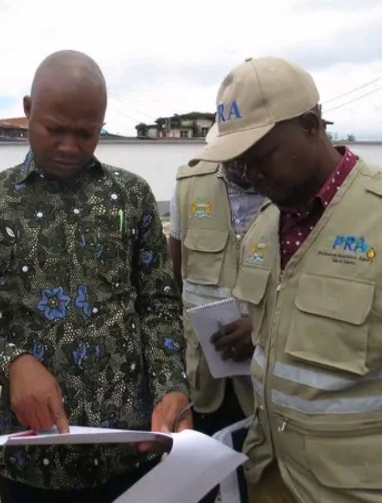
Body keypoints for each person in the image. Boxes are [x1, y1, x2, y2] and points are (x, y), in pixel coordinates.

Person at [0, 50, 190, 502]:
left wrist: (171, 383)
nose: (70, 146)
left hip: (133, 452)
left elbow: (159, 303)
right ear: (29, 110)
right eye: (55, 129)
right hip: (36, 463)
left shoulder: (129, 196)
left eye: (86, 132)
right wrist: (13, 362)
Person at [192, 56, 382, 503]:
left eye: (260, 156)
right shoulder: (263, 227)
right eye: (237, 163)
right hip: (272, 474)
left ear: (311, 124)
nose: (249, 174)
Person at [168, 156, 264, 503]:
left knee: (255, 483)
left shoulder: (289, 188)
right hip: (202, 378)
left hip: (263, 387)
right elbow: (172, 278)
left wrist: (261, 328)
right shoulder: (190, 184)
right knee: (202, 483)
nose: (244, 164)